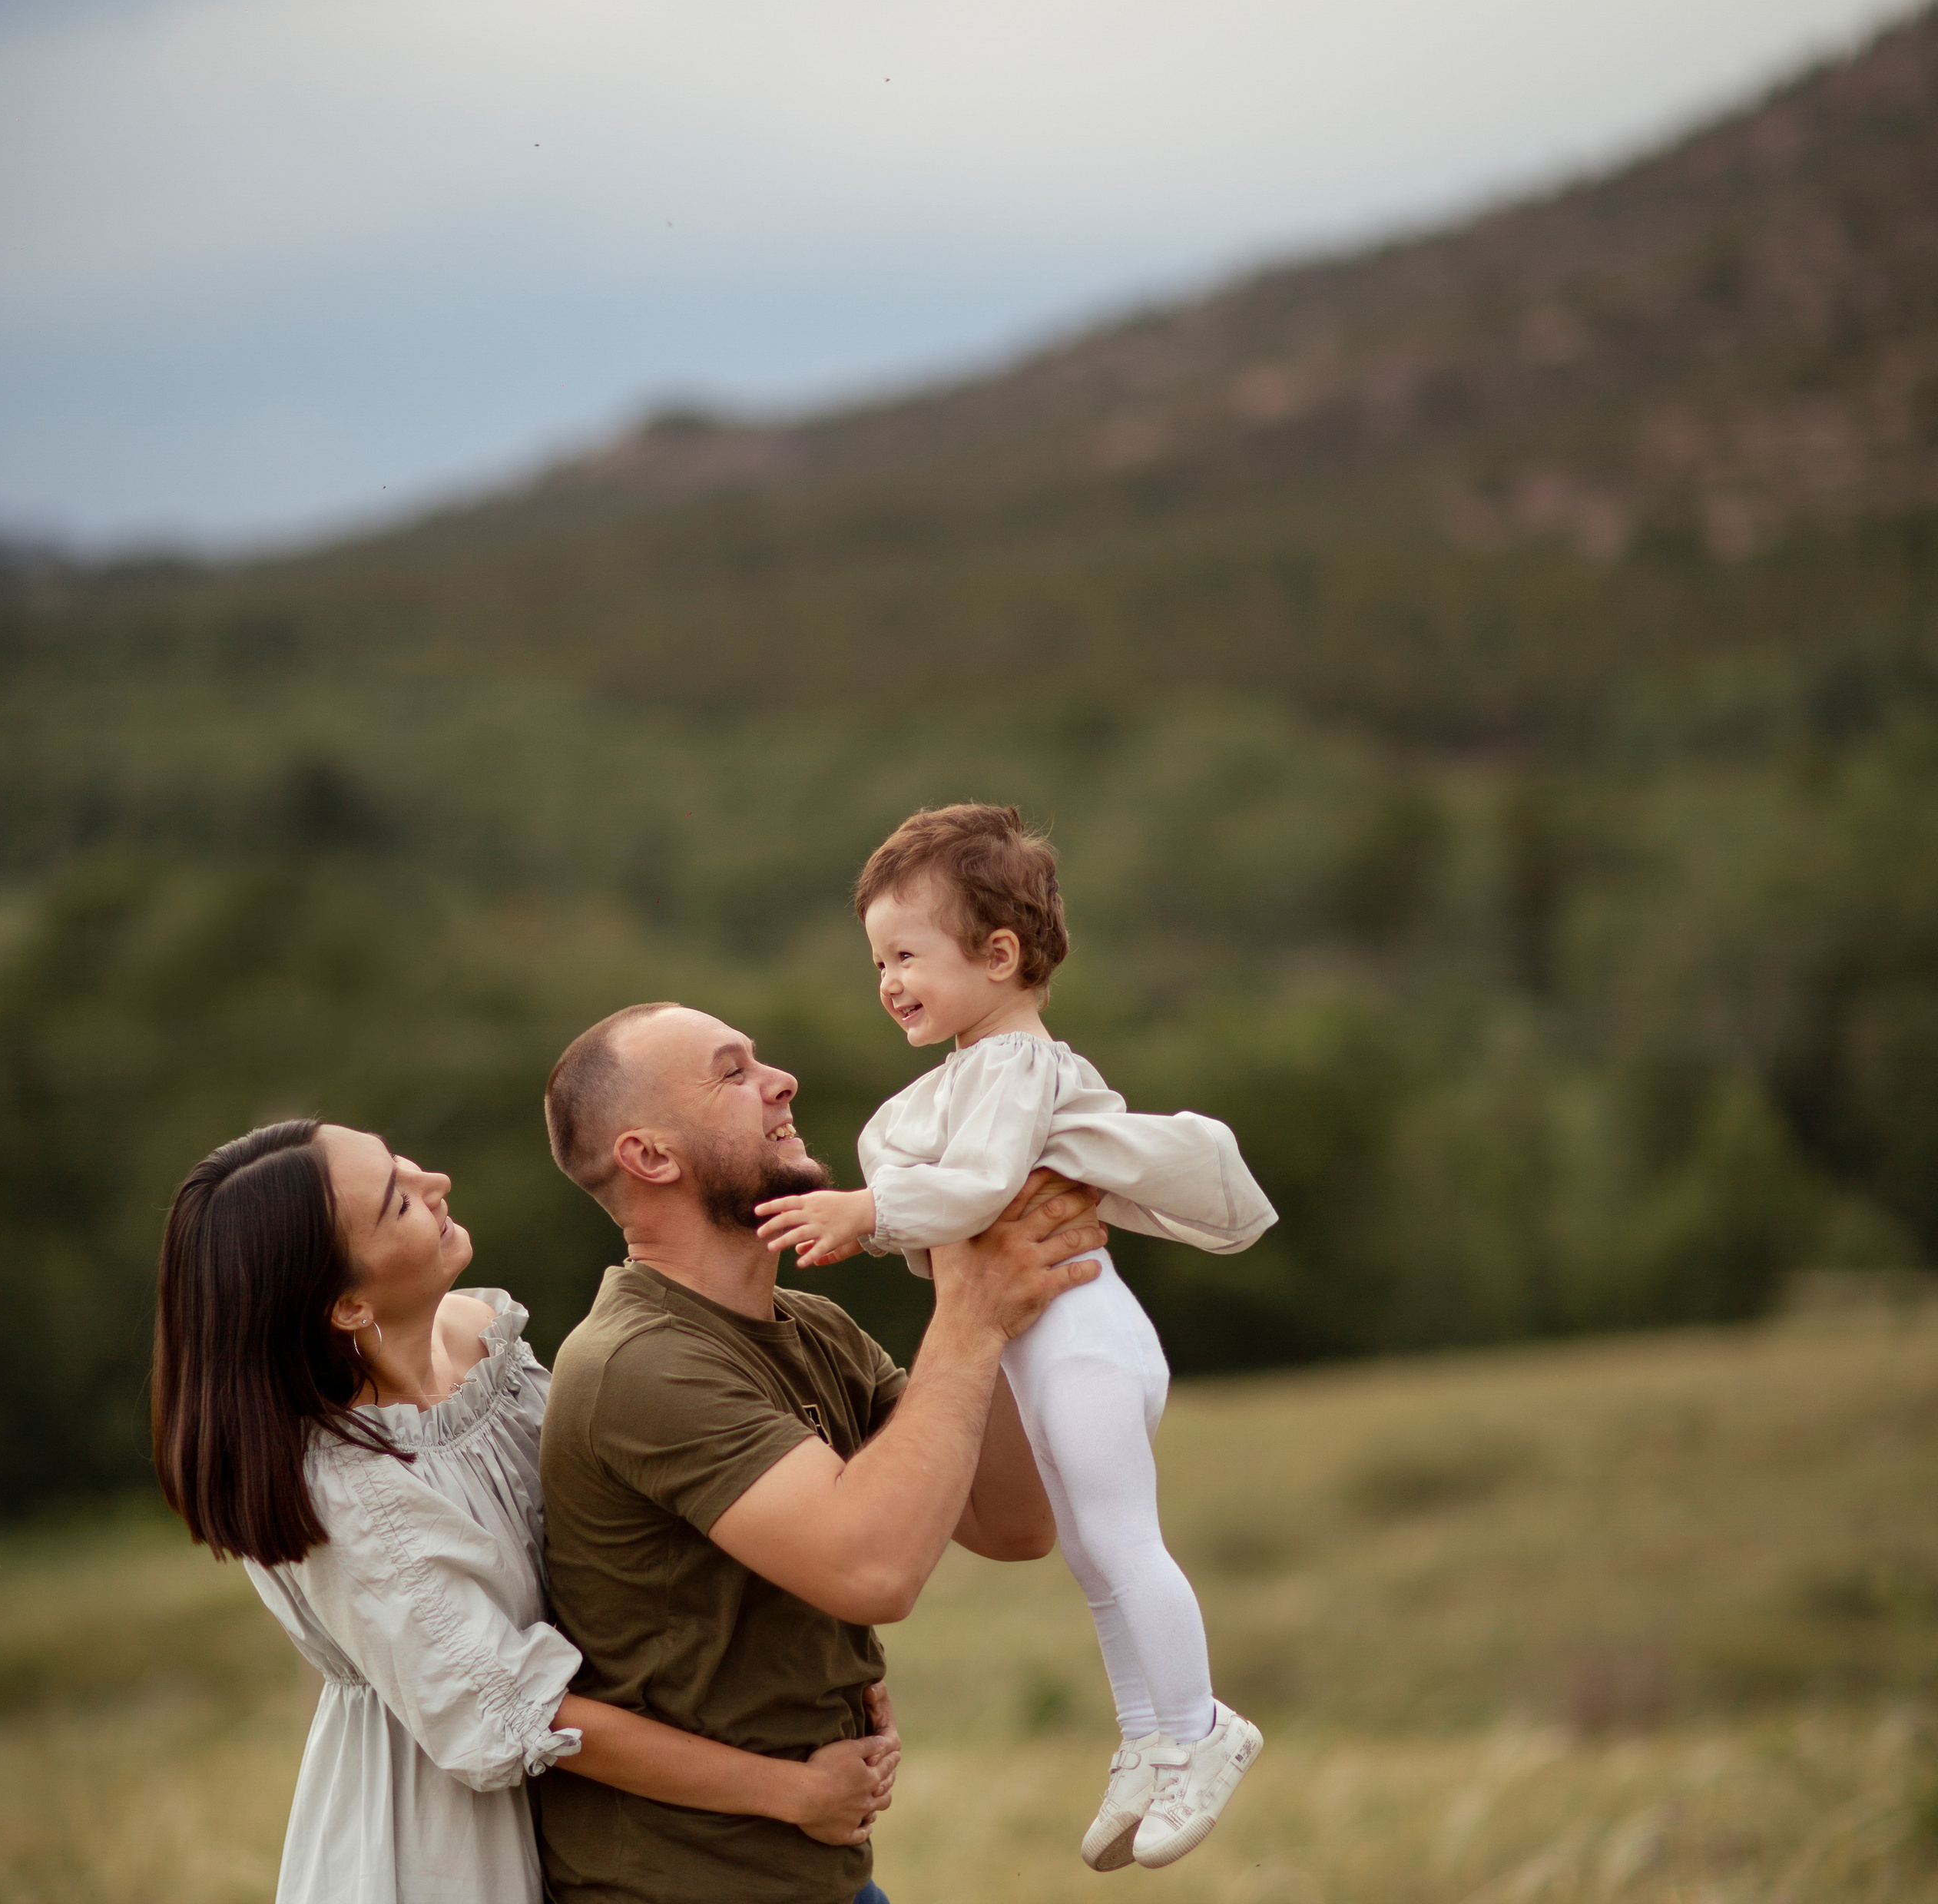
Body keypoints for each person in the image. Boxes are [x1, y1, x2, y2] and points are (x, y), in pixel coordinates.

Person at [151, 1118, 899, 1904]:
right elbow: (525, 1717)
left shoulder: (480, 1335)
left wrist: (811, 1682)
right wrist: (793, 1790)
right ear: (345, 1305)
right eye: (396, 1201)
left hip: (633, 1799)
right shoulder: (354, 1492)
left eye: (402, 1161)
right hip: (454, 1828)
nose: (435, 1184)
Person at [754, 803, 1274, 1872]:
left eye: (907, 954)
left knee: (1123, 1540)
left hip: (1081, 1333)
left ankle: (1200, 1728)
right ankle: (1146, 1741)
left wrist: (868, 1210)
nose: (889, 980)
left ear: (999, 956)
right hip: (1048, 1343)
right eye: (878, 962)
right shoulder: (969, 1074)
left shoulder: (1016, 1067)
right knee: (1091, 1555)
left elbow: (984, 1186)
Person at [538, 1002, 1109, 1904]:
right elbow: (874, 1572)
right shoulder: (638, 1363)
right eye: (733, 1072)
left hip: (820, 1880)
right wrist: (966, 1310)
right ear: (650, 1157)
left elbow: (1012, 1523)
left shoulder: (814, 1328)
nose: (780, 1081)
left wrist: (992, 1283)